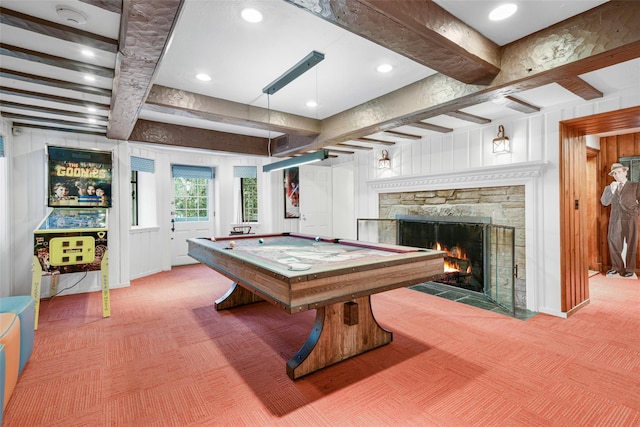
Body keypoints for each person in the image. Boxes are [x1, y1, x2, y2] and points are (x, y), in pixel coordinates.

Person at [600, 163, 640, 278]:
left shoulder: (635, 186)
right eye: (614, 173)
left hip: (630, 218)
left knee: (631, 242)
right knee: (613, 241)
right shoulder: (609, 187)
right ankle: (617, 267)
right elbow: (604, 202)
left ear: (625, 172)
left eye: (619, 172)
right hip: (615, 219)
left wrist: (636, 211)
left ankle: (630, 269)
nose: (617, 175)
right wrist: (611, 191)